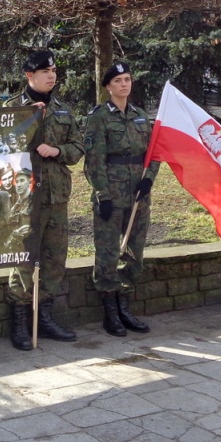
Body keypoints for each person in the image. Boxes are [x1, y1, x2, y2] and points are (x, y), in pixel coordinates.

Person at [4, 51, 85, 351]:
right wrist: (29, 121)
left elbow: (77, 146)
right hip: (25, 198)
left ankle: (45, 317)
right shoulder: (12, 108)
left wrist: (59, 151)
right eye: (44, 71)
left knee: (54, 259)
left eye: (53, 70)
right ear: (29, 75)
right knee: (24, 257)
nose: (51, 75)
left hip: (57, 196)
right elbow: (2, 146)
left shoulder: (63, 109)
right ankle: (19, 320)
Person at [83, 62, 159, 336]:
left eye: (127, 79)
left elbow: (155, 152)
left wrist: (149, 178)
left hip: (138, 194)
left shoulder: (140, 115)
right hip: (111, 194)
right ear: (108, 87)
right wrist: (102, 194)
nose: (124, 84)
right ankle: (110, 312)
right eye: (118, 81)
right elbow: (94, 161)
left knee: (134, 252)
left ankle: (125, 306)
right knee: (107, 252)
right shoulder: (99, 117)